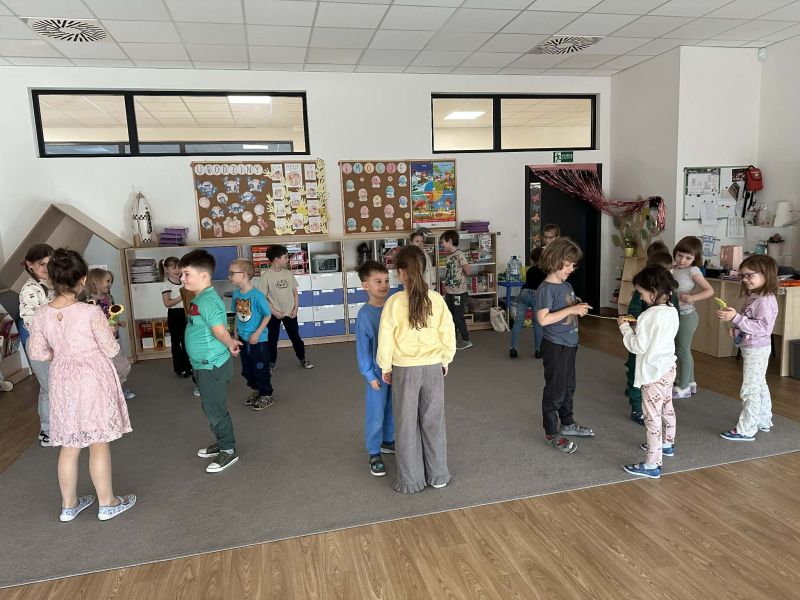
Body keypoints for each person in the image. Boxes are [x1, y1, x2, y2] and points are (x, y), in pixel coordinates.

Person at [27, 249, 135, 521]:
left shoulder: (41, 314)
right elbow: (110, 349)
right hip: (92, 376)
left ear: (52, 278)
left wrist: (60, 355)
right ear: (83, 279)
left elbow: (37, 352)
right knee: (98, 441)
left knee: (69, 443)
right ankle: (107, 502)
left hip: (62, 378)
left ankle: (69, 505)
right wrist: (110, 331)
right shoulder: (90, 312)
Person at [377, 245, 455, 493]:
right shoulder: (437, 300)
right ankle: (438, 474)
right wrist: (445, 359)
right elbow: (448, 332)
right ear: (423, 269)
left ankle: (411, 480)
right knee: (434, 421)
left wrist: (385, 366)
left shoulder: (393, 303)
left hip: (405, 370)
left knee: (406, 424)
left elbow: (385, 339)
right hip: (433, 368)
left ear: (401, 273)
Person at [180, 249, 242, 473]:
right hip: (203, 364)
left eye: (187, 274)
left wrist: (230, 343)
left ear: (204, 275)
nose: (182, 278)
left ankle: (228, 449)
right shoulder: (201, 297)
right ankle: (222, 440)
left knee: (215, 410)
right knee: (210, 407)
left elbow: (219, 331)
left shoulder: (207, 301)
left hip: (212, 365)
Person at [618, 265, 680, 479]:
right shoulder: (672, 310)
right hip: (668, 368)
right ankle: (667, 443)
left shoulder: (647, 315)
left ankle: (652, 464)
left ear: (653, 292)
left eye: (641, 293)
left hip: (652, 373)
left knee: (652, 417)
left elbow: (637, 347)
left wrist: (625, 328)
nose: (641, 297)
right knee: (667, 407)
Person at [536, 237, 593, 453]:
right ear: (554, 260)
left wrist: (577, 305)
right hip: (555, 346)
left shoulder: (566, 285)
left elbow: (565, 307)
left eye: (573, 265)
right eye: (567, 265)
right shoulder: (546, 288)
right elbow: (543, 319)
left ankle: (567, 423)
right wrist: (571, 310)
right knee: (555, 389)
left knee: (569, 386)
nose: (571, 269)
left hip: (570, 344)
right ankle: (551, 431)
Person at [716, 255, 779, 441]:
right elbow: (750, 321)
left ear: (766, 274)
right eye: (742, 275)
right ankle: (763, 420)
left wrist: (736, 318)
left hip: (756, 348)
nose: (745, 279)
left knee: (750, 389)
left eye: (749, 275)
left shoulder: (765, 300)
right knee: (759, 384)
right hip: (752, 346)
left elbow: (763, 328)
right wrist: (738, 328)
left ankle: (747, 429)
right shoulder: (755, 295)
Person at [623, 245, 678, 425]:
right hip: (643, 341)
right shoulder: (645, 301)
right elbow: (634, 312)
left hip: (655, 353)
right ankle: (636, 406)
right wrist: (633, 323)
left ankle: (647, 410)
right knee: (635, 373)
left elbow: (637, 345)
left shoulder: (669, 301)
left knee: (655, 408)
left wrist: (624, 328)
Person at [355, 260, 395, 477]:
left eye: (387, 280)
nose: (384, 285)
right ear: (365, 285)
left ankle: (388, 441)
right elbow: (363, 350)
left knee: (392, 408)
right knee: (376, 412)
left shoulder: (394, 308)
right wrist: (370, 375)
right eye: (378, 281)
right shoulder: (365, 315)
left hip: (396, 369)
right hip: (377, 373)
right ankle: (374, 452)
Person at [255, 244, 314, 371]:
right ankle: (271, 363)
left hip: (290, 312)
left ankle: (303, 359)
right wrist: (274, 312)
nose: (287, 259)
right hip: (273, 314)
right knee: (272, 339)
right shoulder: (265, 277)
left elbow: (295, 293)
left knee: (295, 337)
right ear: (277, 259)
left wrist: (295, 308)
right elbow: (263, 299)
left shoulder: (288, 273)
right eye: (285, 257)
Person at [19, 243, 55, 447]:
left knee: (49, 387)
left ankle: (49, 426)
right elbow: (30, 321)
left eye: (50, 263)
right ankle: (47, 430)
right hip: (39, 346)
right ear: (30, 265)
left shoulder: (52, 284)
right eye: (42, 264)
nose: (47, 268)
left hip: (54, 344)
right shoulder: (30, 289)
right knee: (50, 388)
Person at [229, 258, 274, 411]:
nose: (229, 276)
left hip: (258, 340)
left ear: (245, 274)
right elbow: (237, 315)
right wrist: (235, 333)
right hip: (243, 338)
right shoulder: (236, 294)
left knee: (260, 368)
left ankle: (266, 394)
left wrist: (257, 332)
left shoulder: (257, 296)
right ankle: (257, 390)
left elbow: (267, 315)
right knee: (247, 369)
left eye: (232, 273)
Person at [671, 236, 714, 398]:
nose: (682, 260)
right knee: (680, 349)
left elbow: (709, 290)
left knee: (682, 350)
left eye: (688, 258)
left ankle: (683, 388)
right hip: (674, 314)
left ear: (695, 258)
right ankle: (690, 382)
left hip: (687, 315)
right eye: (680, 255)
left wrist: (692, 297)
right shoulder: (673, 268)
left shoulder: (693, 270)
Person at [84, 268, 135, 401]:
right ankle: (114, 391)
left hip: (115, 338)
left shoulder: (109, 298)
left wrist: (118, 323)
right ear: (96, 282)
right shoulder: (90, 303)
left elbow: (111, 316)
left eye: (111, 281)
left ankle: (115, 390)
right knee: (121, 367)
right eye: (107, 281)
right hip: (101, 342)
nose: (110, 284)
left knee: (121, 367)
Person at [509, 247, 545, 359]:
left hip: (524, 293)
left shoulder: (530, 270)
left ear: (533, 259)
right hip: (537, 295)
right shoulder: (546, 271)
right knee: (537, 323)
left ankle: (513, 348)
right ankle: (538, 350)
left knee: (518, 321)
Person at [160, 257, 192, 378]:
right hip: (175, 315)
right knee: (176, 342)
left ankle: (188, 366)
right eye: (173, 268)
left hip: (186, 313)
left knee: (186, 341)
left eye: (178, 267)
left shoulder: (183, 282)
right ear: (166, 269)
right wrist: (181, 296)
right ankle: (179, 369)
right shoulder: (166, 284)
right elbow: (167, 303)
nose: (177, 270)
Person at [440, 230, 472, 350]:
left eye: (443, 242)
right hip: (450, 292)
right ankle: (452, 340)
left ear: (449, 241)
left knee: (458, 317)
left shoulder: (460, 255)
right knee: (450, 316)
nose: (442, 244)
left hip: (459, 293)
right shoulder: (449, 256)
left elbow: (468, 271)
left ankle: (466, 340)